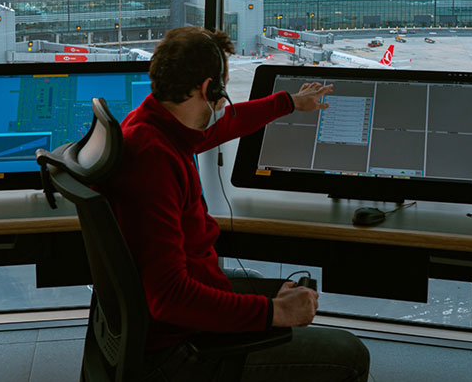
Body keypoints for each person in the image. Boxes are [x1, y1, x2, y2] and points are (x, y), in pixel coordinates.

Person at [103, 26, 370, 381]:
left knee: (258, 281)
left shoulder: (151, 125)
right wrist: (273, 312)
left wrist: (289, 102)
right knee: (349, 354)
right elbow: (170, 297)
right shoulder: (155, 162)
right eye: (221, 91)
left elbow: (222, 127)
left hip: (156, 319)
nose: (222, 102)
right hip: (177, 351)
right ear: (207, 88)